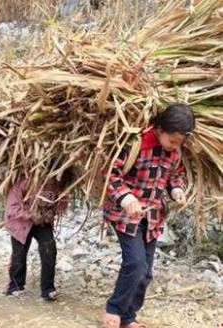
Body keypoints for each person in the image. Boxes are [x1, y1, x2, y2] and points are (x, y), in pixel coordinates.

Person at [102, 104, 195, 328]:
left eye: (179, 143)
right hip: (125, 216)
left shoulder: (175, 151)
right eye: (172, 141)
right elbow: (110, 174)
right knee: (135, 263)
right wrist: (126, 198)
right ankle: (114, 310)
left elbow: (175, 174)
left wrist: (177, 190)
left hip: (153, 217)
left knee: (145, 273)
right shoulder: (136, 143)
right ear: (160, 129)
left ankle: (128, 317)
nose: (175, 146)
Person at [4, 166, 73, 301]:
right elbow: (11, 208)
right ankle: (15, 286)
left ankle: (48, 289)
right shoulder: (25, 182)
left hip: (42, 223)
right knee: (19, 254)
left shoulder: (58, 185)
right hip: (20, 224)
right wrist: (30, 215)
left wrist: (49, 213)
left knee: (49, 250)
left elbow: (61, 205)